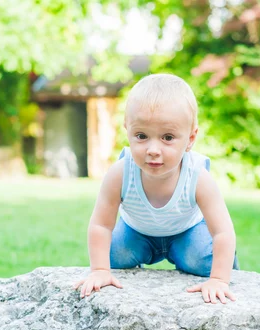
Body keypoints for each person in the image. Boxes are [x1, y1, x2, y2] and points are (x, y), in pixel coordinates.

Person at [73, 73, 238, 304]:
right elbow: (101, 224)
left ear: (190, 139)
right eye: (141, 136)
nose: (153, 149)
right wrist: (100, 269)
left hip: (187, 232)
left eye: (168, 137)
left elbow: (223, 231)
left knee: (201, 258)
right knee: (114, 254)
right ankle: (126, 258)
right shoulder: (121, 173)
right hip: (137, 232)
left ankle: (215, 266)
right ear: (127, 130)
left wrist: (219, 280)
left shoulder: (197, 176)